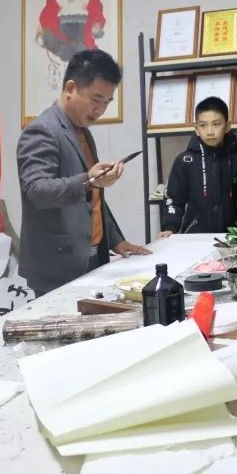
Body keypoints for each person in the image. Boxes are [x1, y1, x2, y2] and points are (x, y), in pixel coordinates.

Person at [17, 49, 150, 296]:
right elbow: (36, 191)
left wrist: (116, 240)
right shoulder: (42, 130)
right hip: (57, 267)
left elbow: (92, 198)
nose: (101, 110)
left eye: (107, 102)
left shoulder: (81, 131)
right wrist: (89, 180)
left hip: (91, 257)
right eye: (96, 99)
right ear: (70, 88)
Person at [159, 96, 237, 237]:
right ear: (196, 129)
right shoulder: (184, 161)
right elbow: (174, 199)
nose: (210, 131)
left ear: (227, 126)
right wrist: (170, 227)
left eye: (216, 124)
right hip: (195, 237)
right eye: (203, 125)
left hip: (233, 236)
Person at [36, 0, 106, 65]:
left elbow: (95, 4)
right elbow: (50, 7)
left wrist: (96, 22)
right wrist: (43, 24)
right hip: (63, 26)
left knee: (84, 52)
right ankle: (66, 52)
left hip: (82, 26)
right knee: (55, 43)